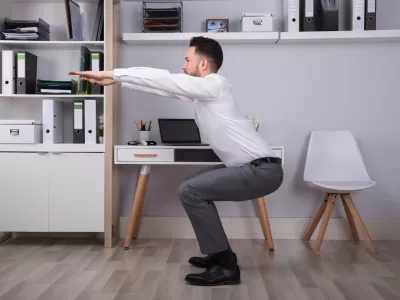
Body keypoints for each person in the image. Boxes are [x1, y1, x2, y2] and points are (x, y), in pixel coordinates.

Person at [69, 36, 283, 286]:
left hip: (262, 171)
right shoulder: (204, 93)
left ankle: (226, 266)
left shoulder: (216, 84)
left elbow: (165, 79)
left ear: (203, 64)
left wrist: (113, 72)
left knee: (190, 190)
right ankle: (217, 253)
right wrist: (117, 81)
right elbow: (163, 87)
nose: (183, 66)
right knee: (192, 184)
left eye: (187, 59)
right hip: (251, 168)